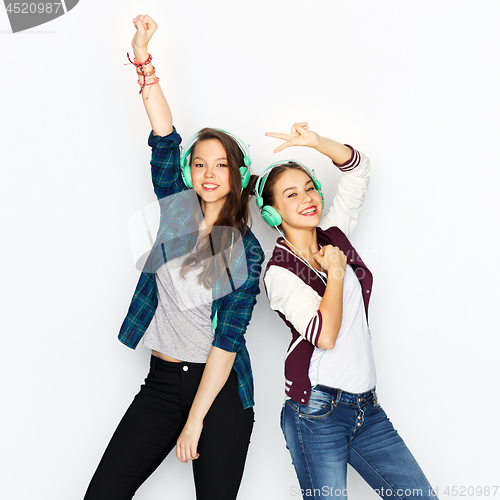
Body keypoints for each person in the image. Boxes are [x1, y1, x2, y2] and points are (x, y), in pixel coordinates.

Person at [84, 15, 264, 500]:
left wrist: (196, 422)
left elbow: (226, 344)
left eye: (221, 165)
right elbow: (164, 135)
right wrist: (143, 58)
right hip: (162, 382)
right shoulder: (177, 212)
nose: (208, 173)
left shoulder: (245, 249)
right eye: (199, 163)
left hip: (220, 394)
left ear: (238, 174)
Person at [256, 123, 438, 499]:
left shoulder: (333, 234)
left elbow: (359, 172)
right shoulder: (279, 272)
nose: (307, 197)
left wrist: (318, 143)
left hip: (367, 410)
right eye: (291, 194)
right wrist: (336, 272)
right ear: (272, 213)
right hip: (318, 413)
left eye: (310, 187)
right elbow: (324, 334)